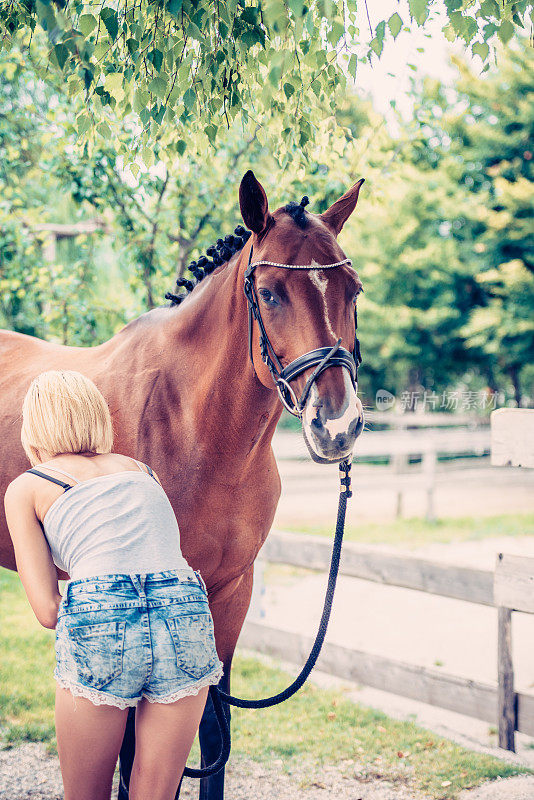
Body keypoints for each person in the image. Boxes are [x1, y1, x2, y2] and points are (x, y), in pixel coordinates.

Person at [4, 369, 224, 800]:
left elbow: (47, 611)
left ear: (36, 426)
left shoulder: (27, 488)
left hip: (102, 615)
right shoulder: (142, 470)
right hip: (185, 610)